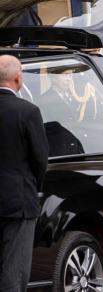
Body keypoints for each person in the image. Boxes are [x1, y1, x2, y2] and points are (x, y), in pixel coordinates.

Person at [0, 55, 49, 291]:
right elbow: (40, 158)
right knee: (14, 269)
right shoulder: (27, 111)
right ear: (18, 78)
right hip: (18, 199)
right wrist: (34, 186)